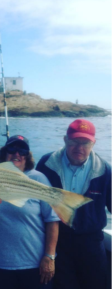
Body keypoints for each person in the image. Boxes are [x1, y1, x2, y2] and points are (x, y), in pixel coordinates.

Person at [0, 135, 60, 289]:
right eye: (11, 149)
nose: (16, 154)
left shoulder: (38, 179)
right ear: (4, 153)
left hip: (36, 263)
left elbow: (52, 220)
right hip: (1, 263)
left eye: (22, 150)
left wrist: (49, 256)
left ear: (28, 155)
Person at [36, 119, 111, 289]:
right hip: (58, 242)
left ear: (94, 143)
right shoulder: (46, 164)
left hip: (92, 242)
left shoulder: (105, 170)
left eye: (85, 143)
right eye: (74, 142)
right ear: (65, 140)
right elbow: (35, 202)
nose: (79, 148)